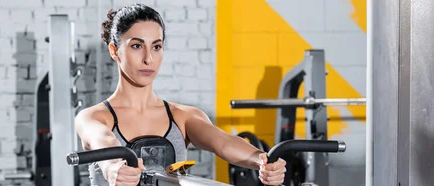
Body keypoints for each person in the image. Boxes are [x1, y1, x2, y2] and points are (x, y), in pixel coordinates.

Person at [75, 3, 287, 186]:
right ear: (114, 51)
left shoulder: (182, 116)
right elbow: (103, 142)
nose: (148, 58)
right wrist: (112, 167)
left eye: (156, 47)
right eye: (137, 46)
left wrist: (261, 160)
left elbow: (222, 142)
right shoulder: (94, 117)